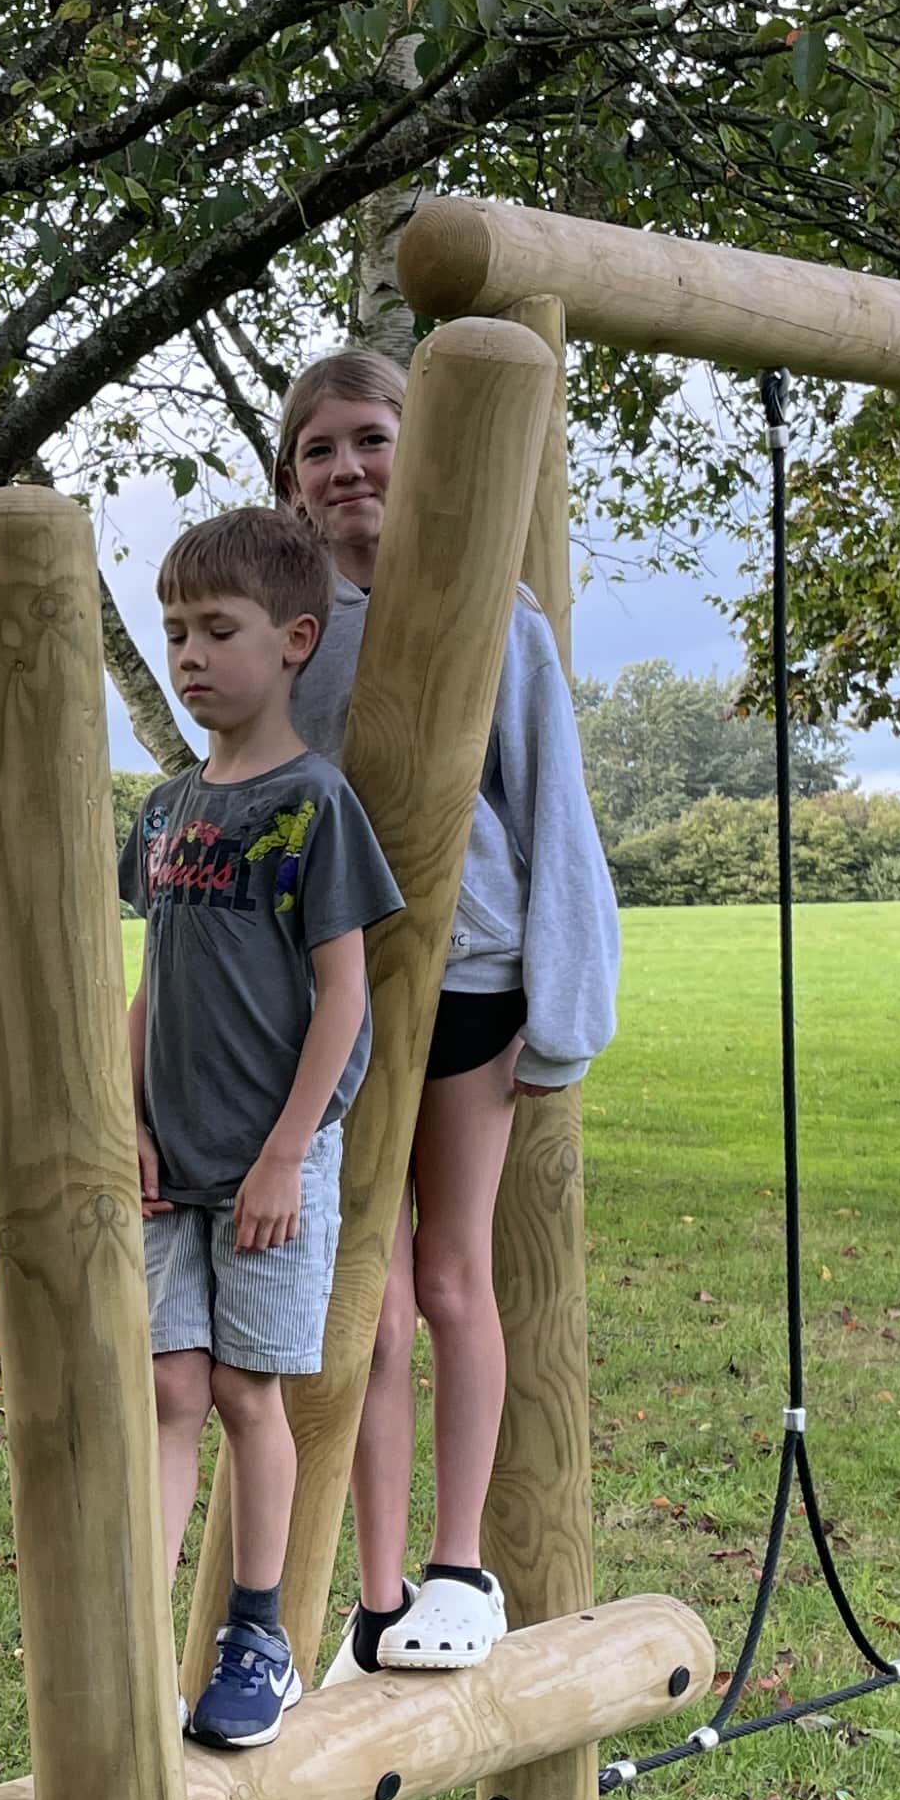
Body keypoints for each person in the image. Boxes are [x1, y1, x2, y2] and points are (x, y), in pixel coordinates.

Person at [275, 347, 621, 1682]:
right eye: (321, 448)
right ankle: (372, 1595)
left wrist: (565, 1008)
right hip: (326, 996)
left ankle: (460, 1562)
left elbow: (555, 817)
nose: (350, 468)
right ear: (292, 477)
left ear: (424, 452)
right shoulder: (288, 624)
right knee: (356, 1293)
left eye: (374, 438)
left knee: (448, 1271)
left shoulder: (500, 614)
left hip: (471, 980)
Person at [125, 507, 405, 1748]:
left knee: (249, 1394)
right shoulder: (167, 810)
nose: (189, 654)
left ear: (295, 640)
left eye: (217, 630)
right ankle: (131, 1631)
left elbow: (346, 990)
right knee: (167, 1384)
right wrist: (124, 1118)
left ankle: (257, 1637)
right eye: (176, 630)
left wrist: (292, 1148)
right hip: (165, 1160)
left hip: (271, 1170)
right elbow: (150, 982)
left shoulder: (313, 802)